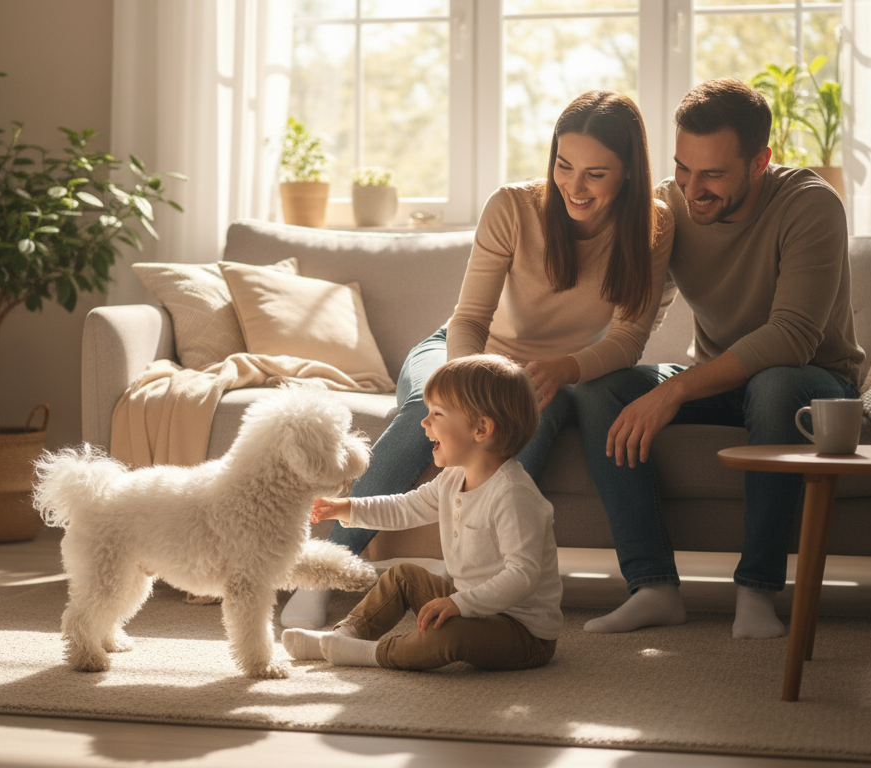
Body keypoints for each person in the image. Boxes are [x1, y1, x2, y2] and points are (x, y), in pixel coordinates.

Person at [280, 90, 676, 630]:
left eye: (595, 174)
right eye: (564, 165)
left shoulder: (653, 225)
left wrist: (563, 369)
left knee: (515, 432)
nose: (574, 187)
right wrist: (467, 386)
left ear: (629, 173)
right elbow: (469, 320)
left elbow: (629, 339)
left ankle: (469, 589)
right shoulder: (513, 206)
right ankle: (319, 577)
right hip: (463, 349)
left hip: (552, 372)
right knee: (430, 405)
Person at [573, 78, 865, 639]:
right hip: (722, 382)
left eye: (712, 174)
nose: (692, 188)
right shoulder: (667, 203)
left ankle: (756, 594)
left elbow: (793, 336)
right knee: (599, 390)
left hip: (814, 383)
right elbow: (635, 317)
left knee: (774, 385)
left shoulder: (810, 205)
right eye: (684, 168)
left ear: (761, 161)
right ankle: (653, 587)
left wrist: (676, 390)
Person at [281, 354, 562, 670]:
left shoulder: (513, 495)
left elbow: (523, 575)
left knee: (448, 638)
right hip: (468, 603)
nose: (424, 423)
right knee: (402, 576)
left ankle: (366, 655)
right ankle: (343, 636)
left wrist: (458, 603)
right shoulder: (454, 478)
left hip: (522, 630)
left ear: (481, 428)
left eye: (437, 414)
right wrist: (348, 509)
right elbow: (405, 507)